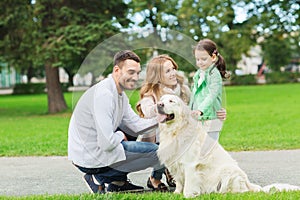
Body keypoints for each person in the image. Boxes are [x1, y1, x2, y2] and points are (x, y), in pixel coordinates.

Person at [68, 50, 168, 193]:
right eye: (131, 72)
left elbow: (135, 125)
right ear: (117, 70)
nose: (135, 77)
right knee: (158, 152)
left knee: (131, 133)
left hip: (98, 149)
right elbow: (107, 143)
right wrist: (121, 136)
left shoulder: (120, 94)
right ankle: (99, 178)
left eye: (138, 73)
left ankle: (118, 182)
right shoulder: (104, 95)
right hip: (90, 156)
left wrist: (160, 119)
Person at [136, 54, 191, 187]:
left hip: (179, 131)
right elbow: (147, 110)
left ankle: (176, 174)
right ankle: (155, 178)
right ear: (158, 76)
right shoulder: (152, 92)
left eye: (173, 69)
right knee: (164, 148)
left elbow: (190, 108)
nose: (173, 73)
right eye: (167, 71)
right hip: (159, 135)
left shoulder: (182, 89)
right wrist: (160, 107)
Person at [189, 38, 229, 157]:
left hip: (211, 117)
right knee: (199, 149)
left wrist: (200, 110)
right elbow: (194, 96)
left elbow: (211, 95)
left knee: (210, 149)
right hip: (199, 118)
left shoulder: (214, 75)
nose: (200, 62)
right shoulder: (198, 74)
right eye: (197, 59)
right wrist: (190, 110)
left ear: (213, 57)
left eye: (203, 59)